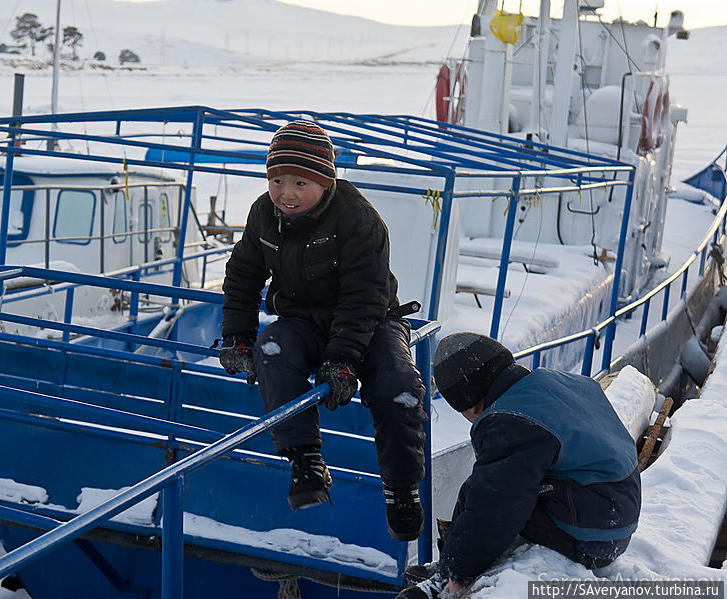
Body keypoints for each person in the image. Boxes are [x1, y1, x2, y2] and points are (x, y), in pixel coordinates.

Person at [218, 120, 428, 541]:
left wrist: (343, 360)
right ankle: (305, 461)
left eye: (300, 182)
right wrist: (237, 337)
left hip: (372, 322)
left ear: (326, 180)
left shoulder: (357, 218)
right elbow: (243, 275)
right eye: (277, 180)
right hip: (303, 320)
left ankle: (401, 490)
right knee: (271, 350)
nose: (286, 193)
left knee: (398, 387)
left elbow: (364, 297)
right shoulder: (264, 213)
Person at [398, 332, 641, 598]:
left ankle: (449, 577)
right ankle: (448, 566)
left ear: (471, 405)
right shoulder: (554, 382)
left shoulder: (511, 421)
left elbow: (495, 509)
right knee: (482, 486)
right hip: (613, 506)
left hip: (594, 537)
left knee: (489, 496)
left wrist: (460, 576)